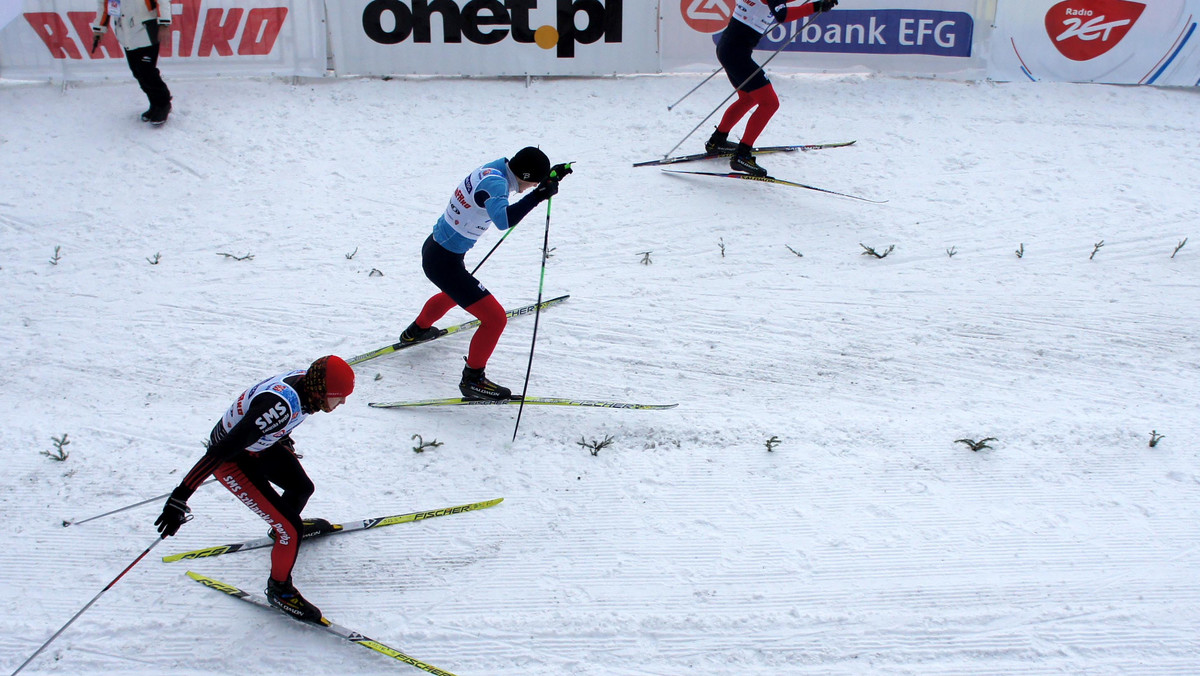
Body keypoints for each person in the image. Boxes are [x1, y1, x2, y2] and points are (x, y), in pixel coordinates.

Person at [154, 355, 355, 623]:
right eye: (338, 396)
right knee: (291, 530)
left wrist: (281, 436)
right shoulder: (278, 407)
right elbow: (219, 451)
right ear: (320, 391)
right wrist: (180, 497)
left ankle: (281, 529)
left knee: (301, 488)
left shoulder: (305, 385)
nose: (342, 402)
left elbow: (264, 419)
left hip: (257, 445)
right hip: (231, 460)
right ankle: (280, 590)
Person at [398, 147, 572, 401]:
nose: (532, 185)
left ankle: (415, 331)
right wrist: (538, 196)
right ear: (523, 174)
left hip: (439, 250)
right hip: (443, 261)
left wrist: (546, 179)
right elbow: (503, 220)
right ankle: (473, 380)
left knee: (454, 293)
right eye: (533, 180)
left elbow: (517, 182)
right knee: (495, 318)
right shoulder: (495, 184)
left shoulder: (499, 167)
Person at [705, 0, 838, 177]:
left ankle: (717, 141)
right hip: (736, 54)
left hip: (728, 50)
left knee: (748, 98)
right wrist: (814, 7)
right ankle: (742, 155)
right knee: (769, 103)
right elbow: (782, 15)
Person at [91, 0, 173, 125]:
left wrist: (164, 24)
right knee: (137, 71)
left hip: (146, 30)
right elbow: (104, 5)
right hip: (126, 34)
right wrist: (99, 28)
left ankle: (163, 104)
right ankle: (154, 105)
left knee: (147, 71)